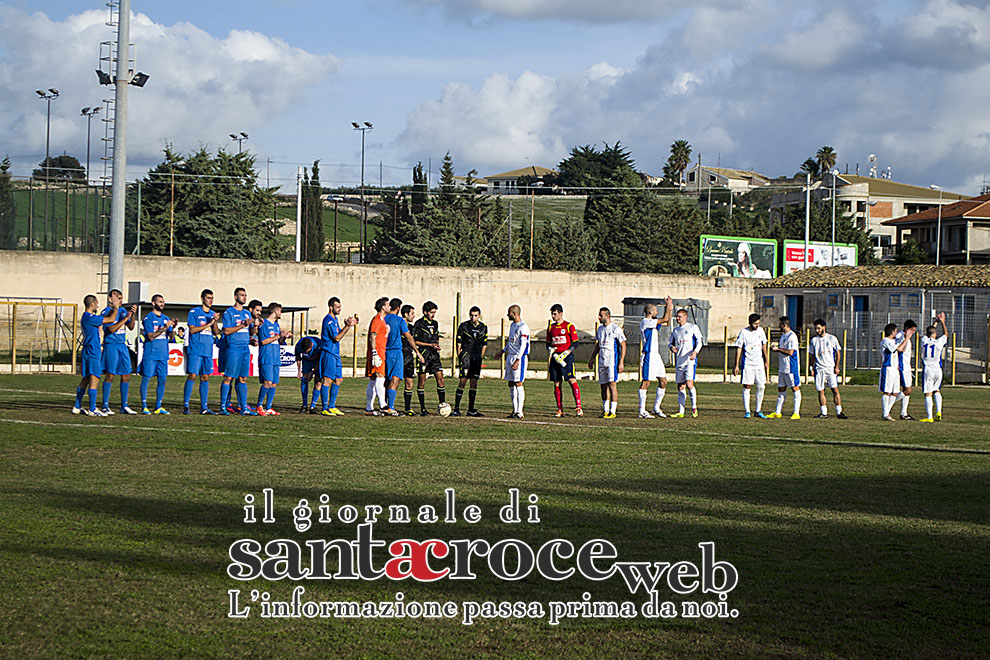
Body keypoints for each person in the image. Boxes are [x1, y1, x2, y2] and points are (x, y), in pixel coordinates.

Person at [73, 294, 118, 416]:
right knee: (95, 378)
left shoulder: (87, 317)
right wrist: (116, 308)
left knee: (86, 379)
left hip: (88, 350)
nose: (98, 305)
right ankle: (92, 409)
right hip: (93, 350)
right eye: (97, 303)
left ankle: (77, 406)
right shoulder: (90, 317)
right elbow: (110, 320)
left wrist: (112, 308)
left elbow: (104, 318)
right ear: (92, 304)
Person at [98, 288, 137, 415]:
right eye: (117, 298)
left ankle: (124, 405)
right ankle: (105, 405)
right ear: (110, 299)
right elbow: (112, 329)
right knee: (110, 375)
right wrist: (125, 319)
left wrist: (132, 315)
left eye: (121, 298)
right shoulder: (106, 312)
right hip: (111, 345)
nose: (120, 301)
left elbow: (131, 327)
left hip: (122, 345)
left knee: (126, 374)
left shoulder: (123, 311)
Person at [220, 287, 257, 416]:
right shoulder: (229, 312)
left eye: (245, 295)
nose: (244, 297)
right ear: (235, 297)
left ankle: (243, 407)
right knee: (228, 377)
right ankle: (223, 406)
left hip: (245, 348)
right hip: (234, 347)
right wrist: (243, 325)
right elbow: (226, 331)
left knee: (243, 378)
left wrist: (256, 326)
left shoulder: (247, 313)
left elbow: (251, 331)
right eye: (242, 295)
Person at [183, 289, 220, 415]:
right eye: (209, 298)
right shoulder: (194, 312)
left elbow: (216, 332)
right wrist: (208, 324)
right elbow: (192, 330)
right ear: (202, 298)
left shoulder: (213, 313)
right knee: (192, 375)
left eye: (212, 298)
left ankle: (204, 407)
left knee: (205, 377)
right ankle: (186, 405)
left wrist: (214, 322)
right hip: (196, 349)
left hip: (207, 349)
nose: (211, 300)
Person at [383, 298, 423, 416]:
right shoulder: (399, 320)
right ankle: (390, 407)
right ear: (398, 308)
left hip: (384, 352)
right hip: (396, 352)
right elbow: (409, 337)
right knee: (395, 379)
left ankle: (383, 404)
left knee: (386, 380)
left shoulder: (383, 319)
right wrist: (417, 352)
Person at [318, 296, 357, 416]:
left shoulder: (334, 320)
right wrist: (348, 326)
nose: (340, 309)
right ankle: (325, 407)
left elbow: (338, 333)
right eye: (337, 307)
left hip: (335, 354)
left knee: (338, 379)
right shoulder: (328, 320)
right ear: (331, 307)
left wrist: (345, 325)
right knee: (327, 380)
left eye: (340, 307)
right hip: (329, 353)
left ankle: (332, 406)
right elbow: (337, 337)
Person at [139, 294, 175, 414]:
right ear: (153, 303)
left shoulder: (166, 318)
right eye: (160, 302)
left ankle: (158, 406)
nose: (162, 304)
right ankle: (144, 406)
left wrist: (173, 328)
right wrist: (164, 327)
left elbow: (171, 336)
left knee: (162, 380)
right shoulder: (148, 318)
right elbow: (150, 336)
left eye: (163, 302)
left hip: (163, 354)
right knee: (146, 379)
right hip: (151, 354)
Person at [588, 307, 626, 418]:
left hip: (612, 361)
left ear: (607, 316)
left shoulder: (615, 329)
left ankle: (613, 411)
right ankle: (605, 410)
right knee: (603, 386)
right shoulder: (600, 329)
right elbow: (598, 345)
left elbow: (623, 345)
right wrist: (592, 358)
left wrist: (621, 362)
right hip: (602, 361)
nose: (599, 317)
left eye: (601, 315)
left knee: (612, 385)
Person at [637, 297, 673, 418]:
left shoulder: (653, 323)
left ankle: (656, 408)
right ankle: (642, 410)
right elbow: (665, 319)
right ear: (650, 312)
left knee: (663, 382)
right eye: (656, 310)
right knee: (646, 382)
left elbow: (667, 322)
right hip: (648, 355)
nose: (657, 312)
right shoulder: (645, 322)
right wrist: (668, 306)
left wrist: (670, 308)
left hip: (656, 356)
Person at [546, 303, 583, 417]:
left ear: (561, 314)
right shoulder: (551, 327)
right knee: (557, 383)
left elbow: (575, 343)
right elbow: (548, 343)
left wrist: (567, 352)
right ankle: (559, 409)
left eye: (555, 314)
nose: (553, 316)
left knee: (572, 380)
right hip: (555, 358)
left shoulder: (568, 326)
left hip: (566, 358)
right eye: (552, 314)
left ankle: (578, 407)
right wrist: (550, 350)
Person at [256, 302, 291, 416]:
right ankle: (259, 405)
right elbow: (263, 341)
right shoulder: (264, 324)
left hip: (276, 357)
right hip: (267, 357)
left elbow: (277, 342)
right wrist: (277, 336)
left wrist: (283, 337)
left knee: (274, 383)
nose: (281, 313)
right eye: (280, 311)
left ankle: (269, 407)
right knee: (267, 382)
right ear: (275, 311)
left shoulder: (276, 325)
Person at [452, 306, 488, 417]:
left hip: (476, 357)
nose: (473, 317)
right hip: (466, 355)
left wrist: (480, 357)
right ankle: (456, 408)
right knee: (463, 381)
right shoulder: (464, 326)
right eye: (471, 315)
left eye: (475, 315)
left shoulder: (483, 327)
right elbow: (458, 343)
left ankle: (471, 409)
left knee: (474, 382)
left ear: (479, 315)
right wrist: (460, 356)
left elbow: (484, 344)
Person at [412, 301, 446, 416]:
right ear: (425, 312)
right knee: (422, 382)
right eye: (431, 312)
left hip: (434, 356)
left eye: (434, 312)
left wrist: (436, 345)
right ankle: (423, 409)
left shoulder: (435, 323)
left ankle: (442, 405)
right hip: (424, 355)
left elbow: (435, 338)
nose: (433, 315)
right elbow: (415, 341)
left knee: (441, 379)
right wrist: (429, 345)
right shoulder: (419, 324)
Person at [668, 309, 703, 418]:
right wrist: (671, 348)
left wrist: (695, 352)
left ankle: (694, 407)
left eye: (680, 316)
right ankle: (681, 411)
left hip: (690, 361)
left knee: (689, 384)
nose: (678, 318)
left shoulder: (692, 327)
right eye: (677, 316)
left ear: (685, 317)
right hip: (679, 361)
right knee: (680, 386)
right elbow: (670, 343)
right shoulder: (676, 330)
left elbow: (699, 341)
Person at [734, 313, 769, 419]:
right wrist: (736, 365)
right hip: (748, 364)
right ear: (750, 323)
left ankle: (758, 410)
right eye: (755, 323)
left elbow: (764, 345)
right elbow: (739, 348)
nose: (757, 325)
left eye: (758, 323)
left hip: (759, 363)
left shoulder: (761, 331)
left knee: (761, 386)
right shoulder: (744, 332)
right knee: (747, 386)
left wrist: (766, 361)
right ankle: (747, 411)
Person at [809, 318, 847, 419]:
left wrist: (837, 366)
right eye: (816, 329)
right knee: (821, 390)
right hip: (819, 369)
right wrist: (811, 368)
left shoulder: (832, 338)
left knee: (835, 390)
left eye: (819, 328)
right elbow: (812, 355)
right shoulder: (814, 340)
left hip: (830, 368)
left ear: (824, 327)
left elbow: (838, 353)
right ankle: (824, 412)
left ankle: (839, 412)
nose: (817, 331)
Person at [497, 305, 530, 418]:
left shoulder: (523, 327)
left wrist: (517, 360)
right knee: (510, 383)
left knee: (518, 383)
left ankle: (520, 412)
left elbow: (523, 345)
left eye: (509, 313)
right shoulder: (512, 325)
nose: (507, 315)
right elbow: (511, 342)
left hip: (518, 357)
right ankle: (514, 410)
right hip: (510, 356)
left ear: (514, 313)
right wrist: (503, 351)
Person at [768, 316, 802, 419]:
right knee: (781, 389)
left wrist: (778, 349)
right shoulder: (783, 336)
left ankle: (796, 413)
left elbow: (791, 352)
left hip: (791, 367)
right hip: (782, 368)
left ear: (784, 325)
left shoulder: (792, 336)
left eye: (780, 325)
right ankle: (778, 412)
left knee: (795, 388)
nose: (779, 326)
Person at [880, 322, 914, 421]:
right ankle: (885, 413)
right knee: (887, 392)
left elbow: (901, 349)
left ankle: (887, 412)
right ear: (892, 332)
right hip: (888, 368)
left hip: (895, 368)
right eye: (895, 331)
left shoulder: (893, 341)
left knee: (895, 392)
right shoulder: (885, 341)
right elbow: (899, 348)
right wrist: (906, 338)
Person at [920, 312, 948, 423]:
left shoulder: (924, 340)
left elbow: (929, 332)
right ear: (935, 334)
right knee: (937, 390)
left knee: (928, 393)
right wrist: (942, 322)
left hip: (928, 369)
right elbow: (946, 334)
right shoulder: (938, 342)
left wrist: (935, 323)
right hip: (938, 369)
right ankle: (939, 411)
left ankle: (930, 416)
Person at [365, 297, 390, 416]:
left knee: (374, 379)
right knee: (380, 377)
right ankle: (383, 405)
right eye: (388, 305)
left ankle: (369, 406)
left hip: (381, 351)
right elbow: (372, 336)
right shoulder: (377, 320)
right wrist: (374, 352)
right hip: (377, 352)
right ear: (383, 307)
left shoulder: (382, 320)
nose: (389, 307)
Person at [894, 320, 918, 420]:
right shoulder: (900, 336)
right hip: (902, 367)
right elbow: (898, 349)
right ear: (907, 329)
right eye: (912, 330)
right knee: (907, 390)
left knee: (908, 391)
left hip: (907, 367)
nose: (913, 333)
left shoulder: (906, 337)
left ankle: (904, 413)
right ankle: (890, 403)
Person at [295, 336, 322, 413]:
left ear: (312, 345)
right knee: (304, 379)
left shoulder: (318, 344)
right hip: (306, 362)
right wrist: (299, 370)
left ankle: (313, 406)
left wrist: (313, 371)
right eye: (304, 351)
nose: (306, 352)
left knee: (318, 382)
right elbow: (298, 357)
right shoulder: (299, 345)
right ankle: (304, 405)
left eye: (308, 350)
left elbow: (321, 359)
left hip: (317, 361)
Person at [400, 304, 419, 416]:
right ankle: (388, 405)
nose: (414, 315)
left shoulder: (412, 328)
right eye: (412, 313)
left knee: (409, 382)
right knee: (394, 381)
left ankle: (407, 408)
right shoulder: (397, 325)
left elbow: (414, 341)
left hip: (409, 356)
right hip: (399, 355)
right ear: (406, 314)